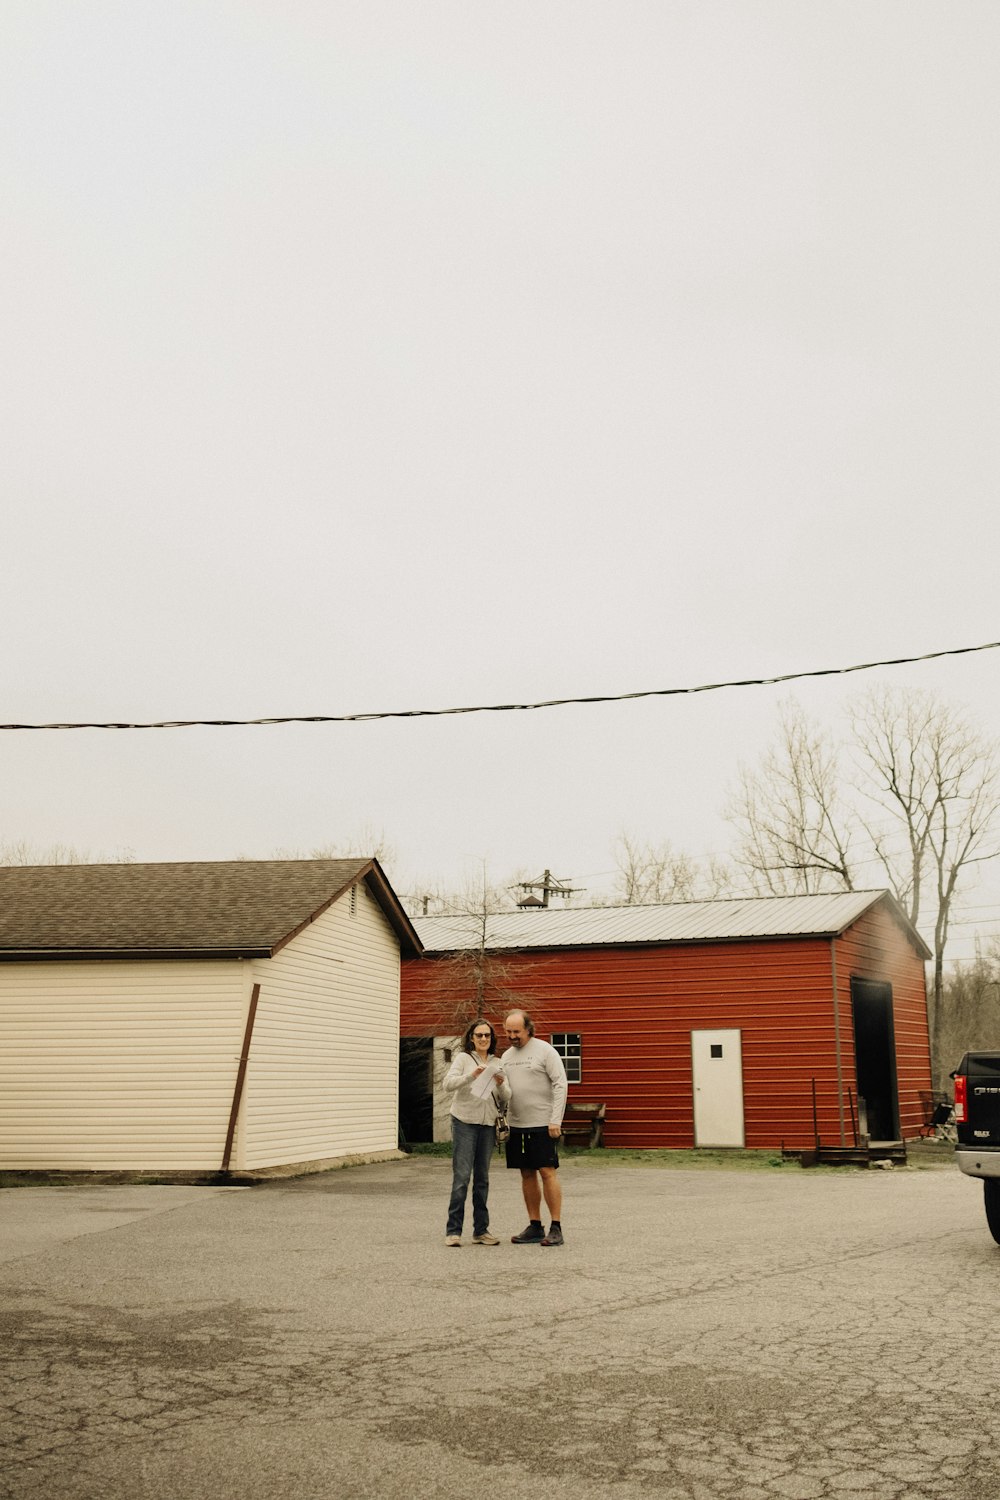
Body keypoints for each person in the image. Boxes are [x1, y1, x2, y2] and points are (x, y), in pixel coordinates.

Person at [442, 1018, 511, 1247]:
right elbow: (447, 1084)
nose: (483, 1039)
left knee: (482, 1179)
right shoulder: (463, 1058)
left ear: (492, 1039)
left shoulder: (498, 1062)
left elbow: (507, 1096)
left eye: (487, 1035)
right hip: (464, 1121)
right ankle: (453, 1231)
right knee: (462, 1177)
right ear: (471, 1037)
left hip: (488, 1124)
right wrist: (472, 1075)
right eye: (479, 1035)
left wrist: (500, 1083)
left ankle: (481, 1231)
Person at [502, 1010, 568, 1247]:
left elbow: (561, 1083)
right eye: (508, 1032)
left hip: (543, 1123)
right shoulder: (506, 1057)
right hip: (517, 1123)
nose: (512, 1036)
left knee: (547, 1171)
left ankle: (556, 1227)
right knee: (526, 1173)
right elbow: (504, 1092)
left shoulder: (545, 1051)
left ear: (528, 1029)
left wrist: (555, 1120)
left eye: (516, 1032)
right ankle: (535, 1226)